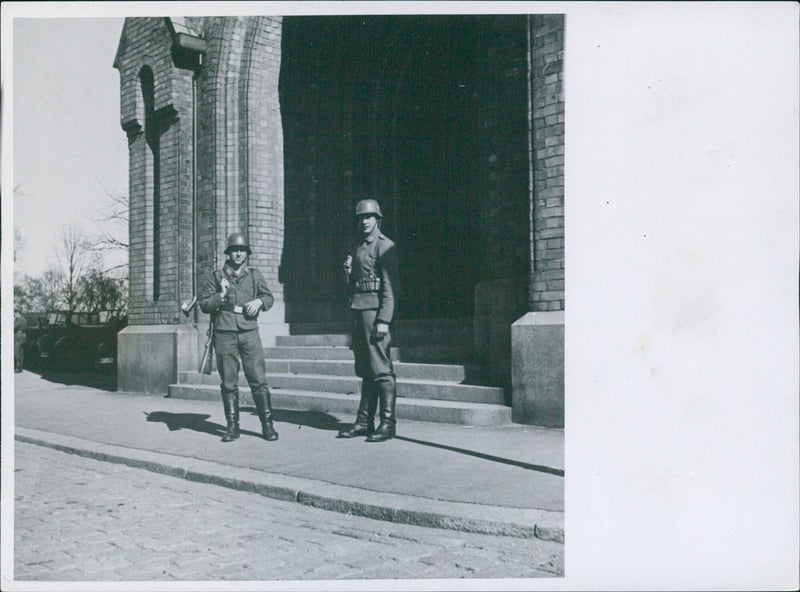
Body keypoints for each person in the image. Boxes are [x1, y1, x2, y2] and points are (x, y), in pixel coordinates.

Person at [199, 232, 279, 443]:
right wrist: (221, 295)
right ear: (228, 252)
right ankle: (232, 426)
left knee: (258, 380)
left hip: (249, 332)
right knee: (228, 383)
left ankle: (267, 425)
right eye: (234, 250)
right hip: (224, 333)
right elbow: (204, 305)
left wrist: (259, 303)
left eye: (242, 250)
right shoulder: (216, 277)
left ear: (247, 253)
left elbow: (268, 297)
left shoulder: (254, 275)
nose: (238, 254)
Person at [338, 199, 400, 442]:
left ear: (377, 219)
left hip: (375, 315)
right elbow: (354, 288)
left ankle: (388, 423)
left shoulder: (384, 246)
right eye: (361, 218)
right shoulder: (359, 248)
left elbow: (391, 288)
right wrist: (347, 273)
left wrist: (384, 320)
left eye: (369, 217)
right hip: (359, 313)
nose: (364, 221)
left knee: (381, 370)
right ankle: (364, 421)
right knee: (366, 369)